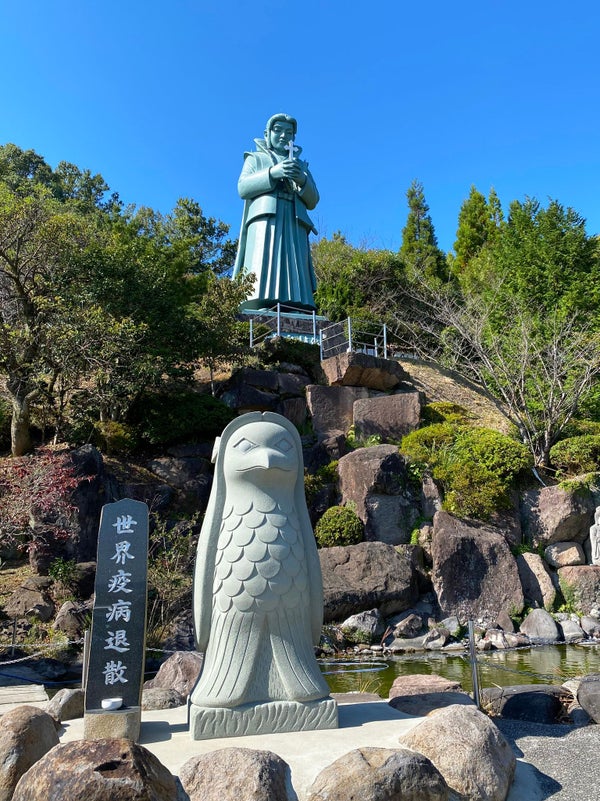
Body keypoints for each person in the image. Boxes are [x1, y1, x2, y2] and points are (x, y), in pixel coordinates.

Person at [232, 113, 319, 311]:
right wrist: (273, 173)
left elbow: (313, 200)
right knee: (265, 260)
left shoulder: (301, 165)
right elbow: (243, 188)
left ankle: (296, 305)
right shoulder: (255, 159)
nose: (283, 136)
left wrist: (302, 180)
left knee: (294, 264)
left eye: (288, 132)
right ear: (267, 134)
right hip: (265, 220)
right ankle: (260, 302)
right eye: (278, 130)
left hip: (294, 220)